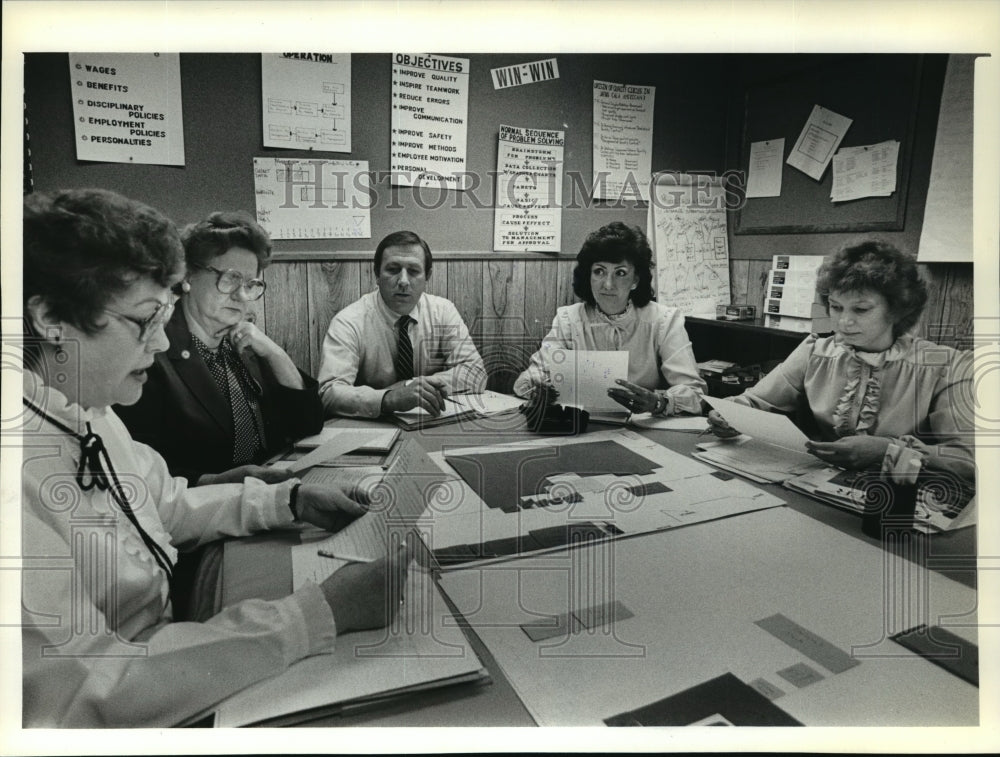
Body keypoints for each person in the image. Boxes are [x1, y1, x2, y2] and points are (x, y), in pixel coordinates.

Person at [20, 189, 410, 727]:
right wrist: (318, 613)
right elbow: (87, 694)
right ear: (49, 320)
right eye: (144, 321)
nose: (159, 344)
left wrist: (286, 498)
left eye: (165, 317)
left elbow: (167, 504)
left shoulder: (88, 408)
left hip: (170, 643)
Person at [707, 240, 975, 484]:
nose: (844, 322)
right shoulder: (815, 351)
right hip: (817, 483)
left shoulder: (946, 366)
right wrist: (728, 415)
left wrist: (888, 450)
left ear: (898, 309)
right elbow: (754, 401)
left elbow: (968, 460)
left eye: (860, 309)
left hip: (904, 494)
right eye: (836, 307)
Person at [115, 211, 323, 486]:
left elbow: (308, 424)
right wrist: (217, 481)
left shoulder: (245, 344)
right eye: (230, 279)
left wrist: (276, 355)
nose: (240, 295)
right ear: (188, 275)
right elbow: (137, 474)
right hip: (199, 516)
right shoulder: (151, 353)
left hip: (270, 498)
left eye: (251, 284)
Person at [513, 222, 706, 415]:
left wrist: (660, 402)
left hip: (647, 427)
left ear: (635, 280)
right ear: (589, 276)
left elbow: (695, 393)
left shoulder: (664, 320)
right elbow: (526, 381)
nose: (608, 284)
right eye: (599, 271)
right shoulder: (568, 319)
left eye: (620, 273)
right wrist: (538, 389)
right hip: (585, 428)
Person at [318, 230, 487, 418]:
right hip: (371, 425)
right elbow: (328, 392)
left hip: (428, 420)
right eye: (393, 269)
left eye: (414, 271)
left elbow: (476, 373)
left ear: (427, 276)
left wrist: (412, 386)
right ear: (377, 274)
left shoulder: (443, 311)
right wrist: (389, 398)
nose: (403, 281)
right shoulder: (349, 321)